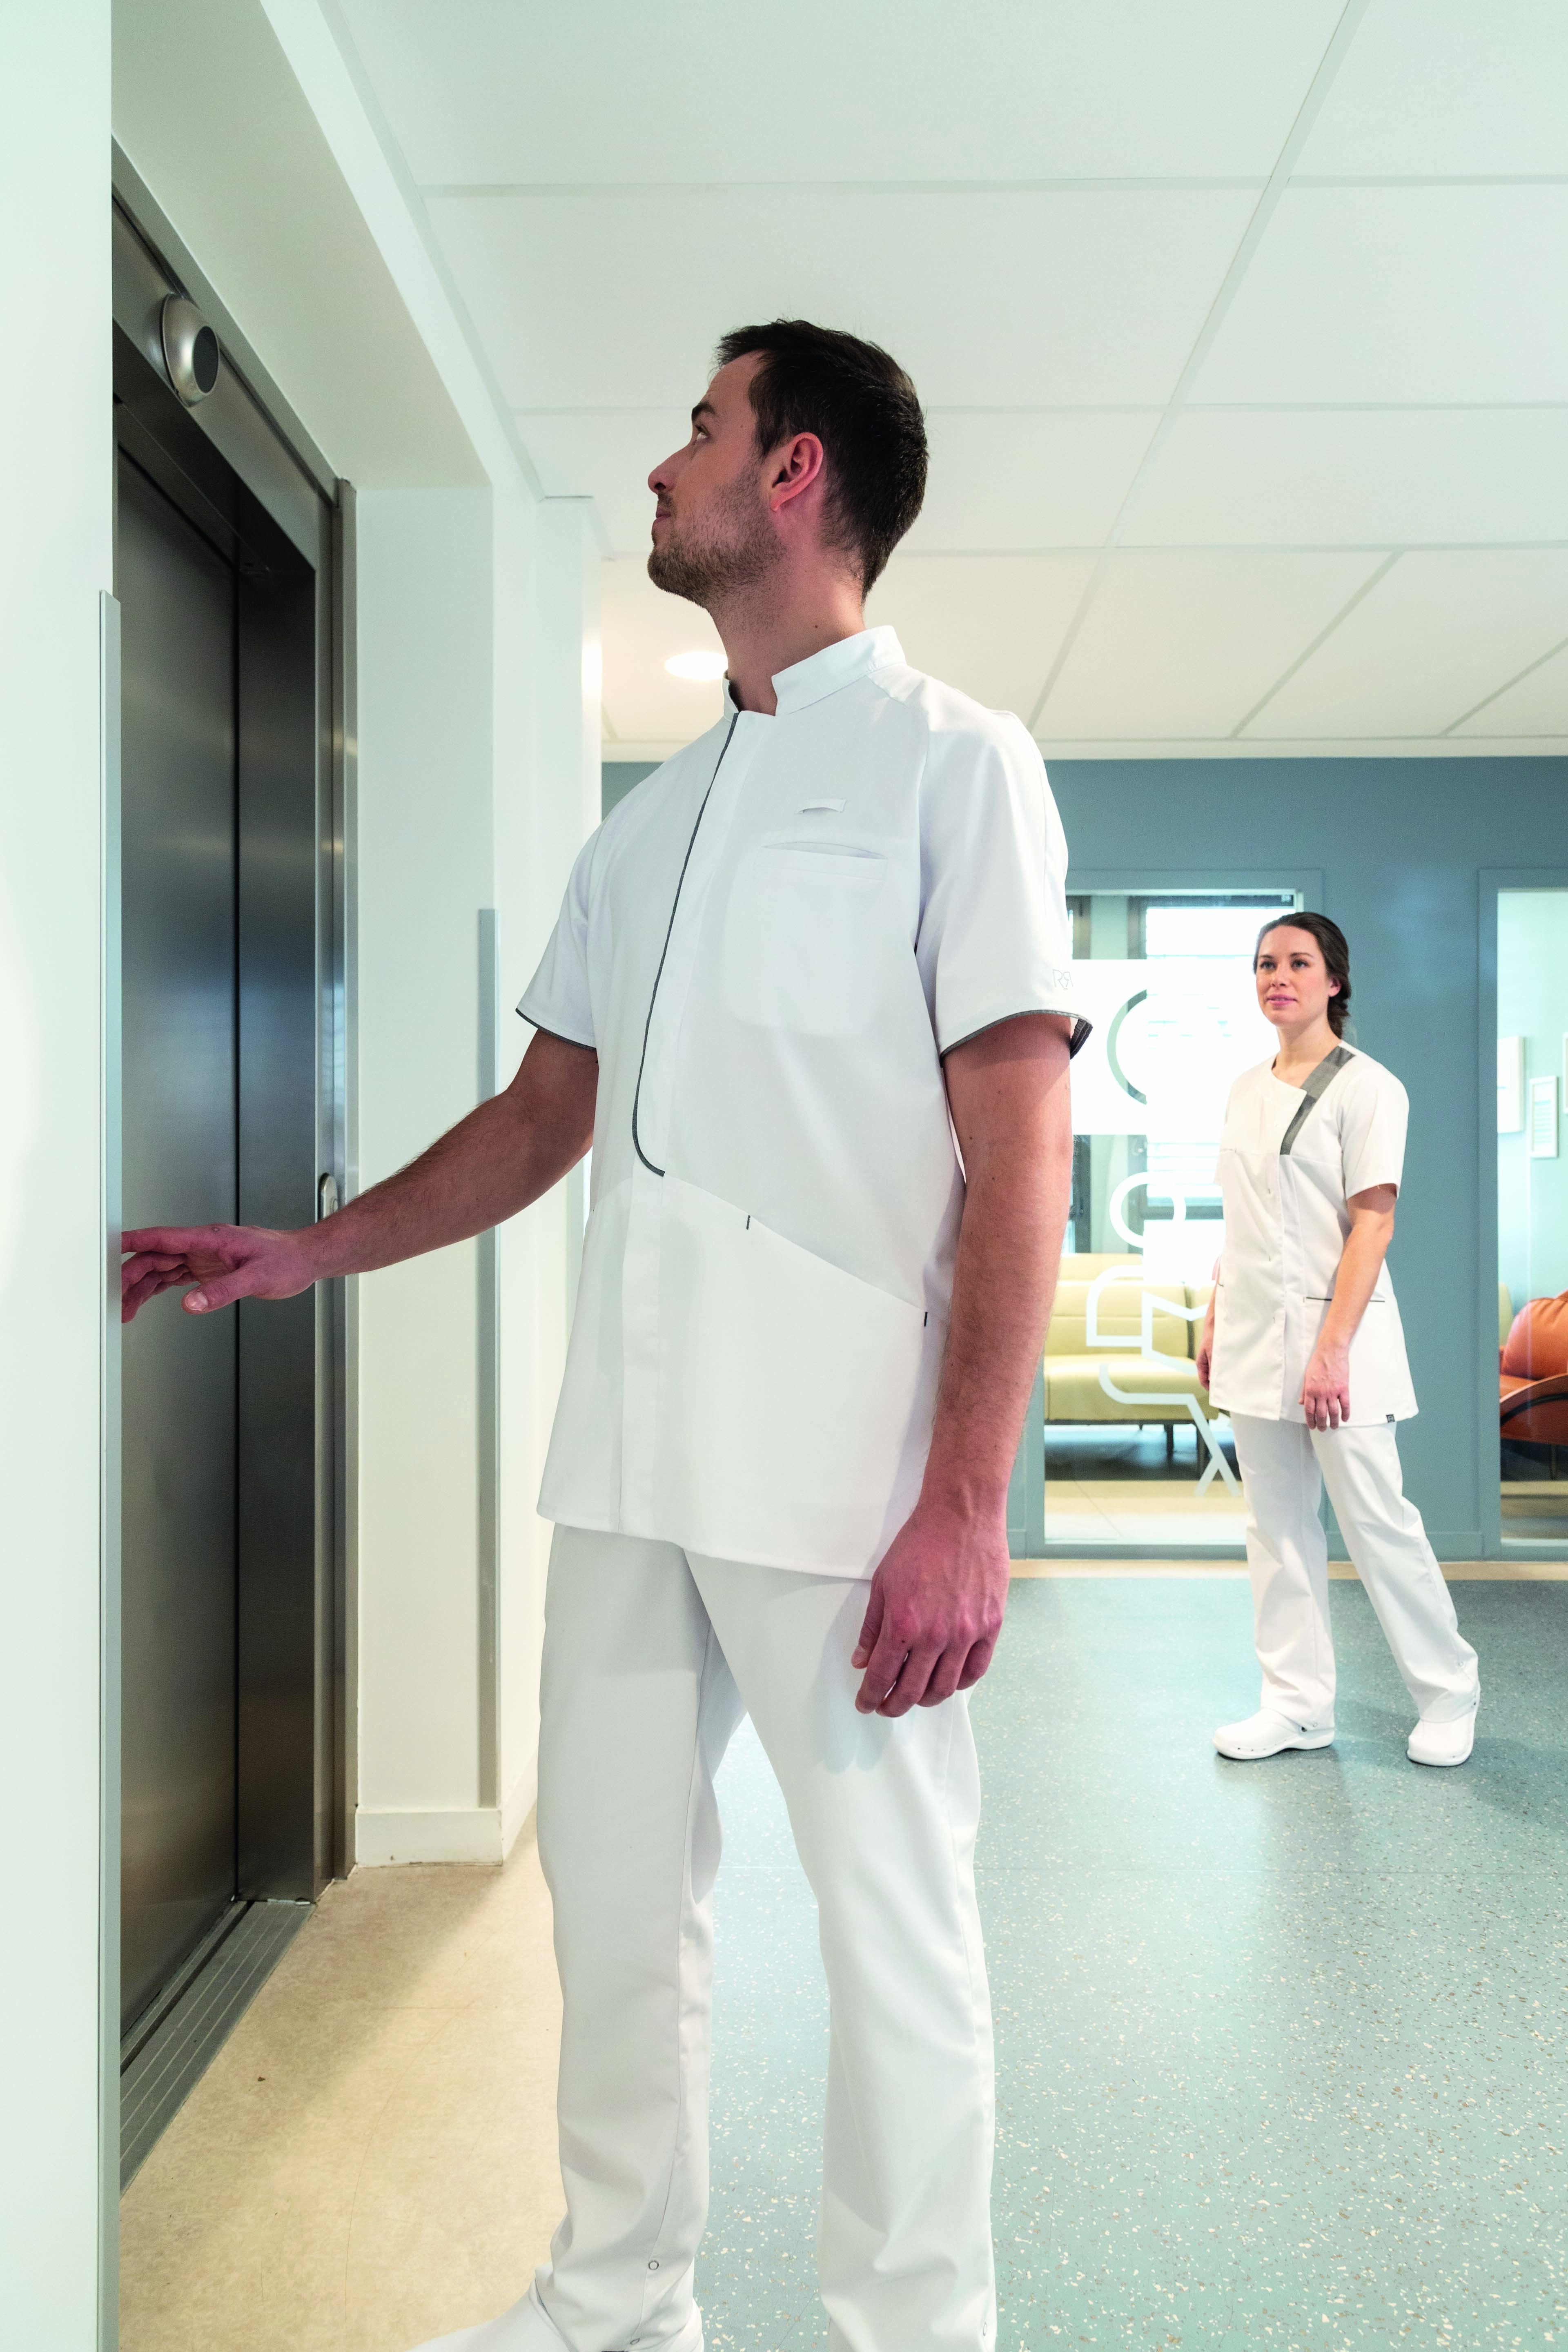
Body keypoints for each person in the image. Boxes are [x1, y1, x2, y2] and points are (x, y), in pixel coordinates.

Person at [121, 319, 1084, 2352]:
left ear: (796, 473)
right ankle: (616, 2301)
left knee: (893, 1932)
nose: (666, 467)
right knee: (621, 1912)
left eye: (701, 429)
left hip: (841, 1473)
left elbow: (1021, 1155)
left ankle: (915, 2331)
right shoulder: (650, 818)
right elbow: (543, 1118)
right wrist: (311, 1251)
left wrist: (967, 1504)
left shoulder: (951, 765)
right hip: (631, 1455)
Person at [1196, 914, 1479, 1770]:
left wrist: (1330, 1352)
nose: (1277, 976)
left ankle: (1448, 1692)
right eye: (1264, 964)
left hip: (1339, 1345)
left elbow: (1373, 1226)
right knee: (1276, 1529)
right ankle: (1296, 1705)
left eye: (1297, 963)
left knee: (1377, 1524)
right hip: (1252, 1336)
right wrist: (1216, 1309)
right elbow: (1245, 1220)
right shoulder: (1245, 1088)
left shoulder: (1370, 1088)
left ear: (1334, 982)